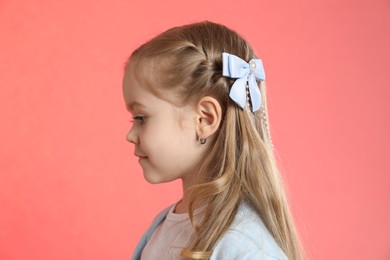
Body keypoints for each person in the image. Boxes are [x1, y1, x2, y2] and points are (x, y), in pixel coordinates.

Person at [122, 21, 303, 260]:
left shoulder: (245, 246)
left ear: (205, 119)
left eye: (141, 117)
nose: (130, 135)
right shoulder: (163, 227)